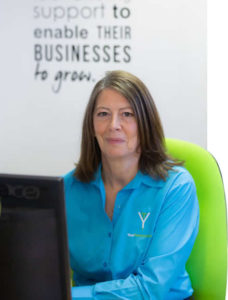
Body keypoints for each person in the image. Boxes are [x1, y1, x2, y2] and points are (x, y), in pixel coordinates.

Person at [64, 70, 199, 300]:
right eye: (103, 114)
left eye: (127, 114)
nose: (113, 125)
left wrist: (68, 295)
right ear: (91, 125)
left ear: (145, 123)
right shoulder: (68, 188)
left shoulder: (176, 187)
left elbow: (151, 288)